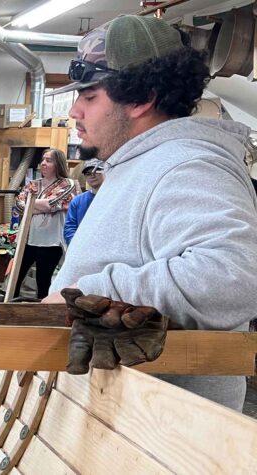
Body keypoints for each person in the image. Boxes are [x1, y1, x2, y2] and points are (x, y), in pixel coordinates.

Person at [40, 15, 257, 411]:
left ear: (141, 98)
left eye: (89, 97)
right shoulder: (138, 164)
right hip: (123, 425)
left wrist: (97, 293)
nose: (74, 111)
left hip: (167, 439)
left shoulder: (187, 166)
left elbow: (233, 276)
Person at [12, 148, 79, 299]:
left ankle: (42, 314)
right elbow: (19, 205)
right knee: (15, 277)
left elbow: (52, 204)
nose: (43, 163)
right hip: (28, 239)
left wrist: (31, 205)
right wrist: (37, 206)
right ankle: (11, 309)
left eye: (48, 160)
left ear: (58, 164)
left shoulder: (67, 184)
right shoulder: (33, 184)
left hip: (50, 242)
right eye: (43, 160)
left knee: (43, 281)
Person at [63, 159, 104, 244]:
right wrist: (76, 245)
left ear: (105, 171)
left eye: (96, 171)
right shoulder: (77, 201)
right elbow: (70, 228)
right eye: (88, 173)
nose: (92, 175)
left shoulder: (113, 196)